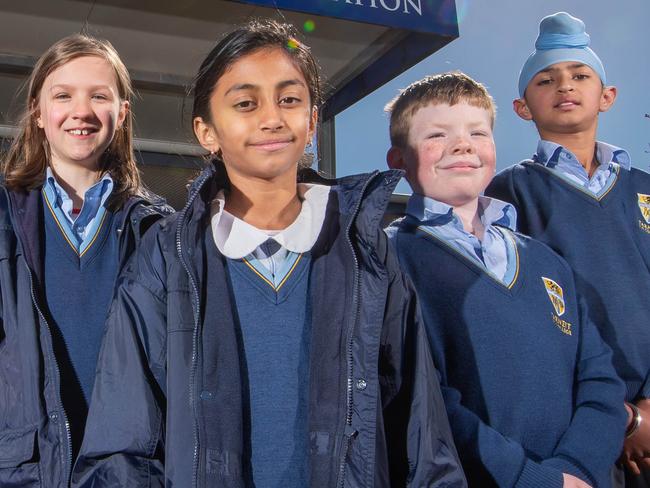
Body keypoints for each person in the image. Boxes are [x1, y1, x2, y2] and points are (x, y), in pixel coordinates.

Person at [72, 19, 465, 488]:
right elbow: (120, 448)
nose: (272, 118)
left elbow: (421, 432)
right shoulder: (166, 255)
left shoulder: (364, 250)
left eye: (290, 99)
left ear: (313, 120)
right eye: (245, 103)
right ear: (207, 132)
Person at [385, 71, 627, 487]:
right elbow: (421, 397)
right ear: (399, 160)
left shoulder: (548, 261)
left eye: (477, 132)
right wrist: (534, 480)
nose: (462, 145)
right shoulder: (388, 258)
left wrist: (577, 470)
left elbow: (600, 378)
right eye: (437, 135)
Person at [485, 12, 650, 483]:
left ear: (607, 96)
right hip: (578, 415)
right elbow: (524, 313)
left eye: (580, 75)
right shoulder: (508, 192)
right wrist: (617, 416)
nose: (565, 86)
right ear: (522, 107)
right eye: (546, 80)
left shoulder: (644, 188)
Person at [0, 34, 170, 487]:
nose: (82, 111)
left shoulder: (159, 231)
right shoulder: (3, 217)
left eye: (99, 95)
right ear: (38, 111)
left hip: (129, 472)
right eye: (63, 95)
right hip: (23, 470)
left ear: (122, 112)